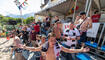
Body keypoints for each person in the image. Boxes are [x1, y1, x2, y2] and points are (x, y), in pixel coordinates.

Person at [16, 33, 89, 60]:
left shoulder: (58, 46)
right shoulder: (44, 46)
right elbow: (35, 49)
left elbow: (69, 50)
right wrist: (24, 47)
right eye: (51, 40)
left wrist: (81, 50)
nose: (53, 42)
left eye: (54, 40)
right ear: (48, 40)